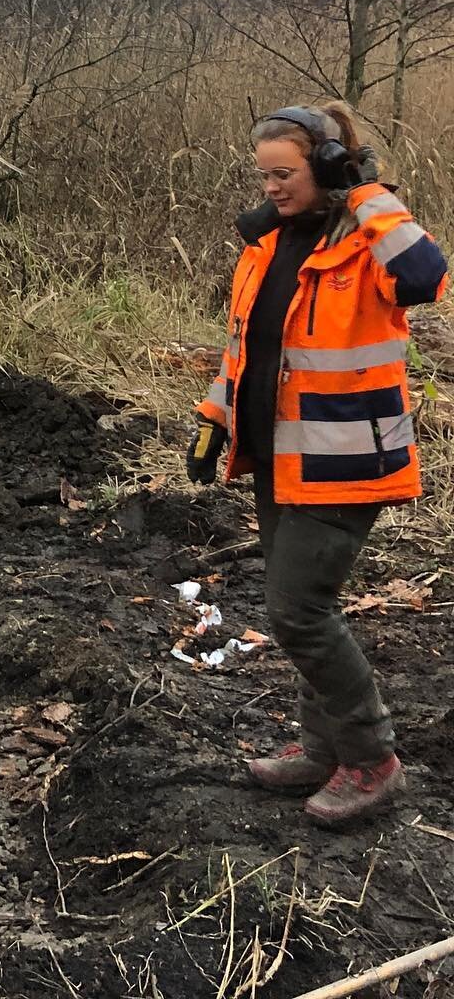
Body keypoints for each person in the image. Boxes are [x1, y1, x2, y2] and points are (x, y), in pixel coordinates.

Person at [187, 102, 447, 827]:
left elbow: (428, 275)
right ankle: (323, 749)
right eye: (262, 173)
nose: (270, 186)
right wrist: (214, 420)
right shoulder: (270, 244)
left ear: (328, 167)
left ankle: (372, 760)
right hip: (279, 454)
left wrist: (364, 188)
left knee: (297, 611)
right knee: (303, 607)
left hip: (347, 459)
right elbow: (248, 348)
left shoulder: (366, 242)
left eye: (286, 173)